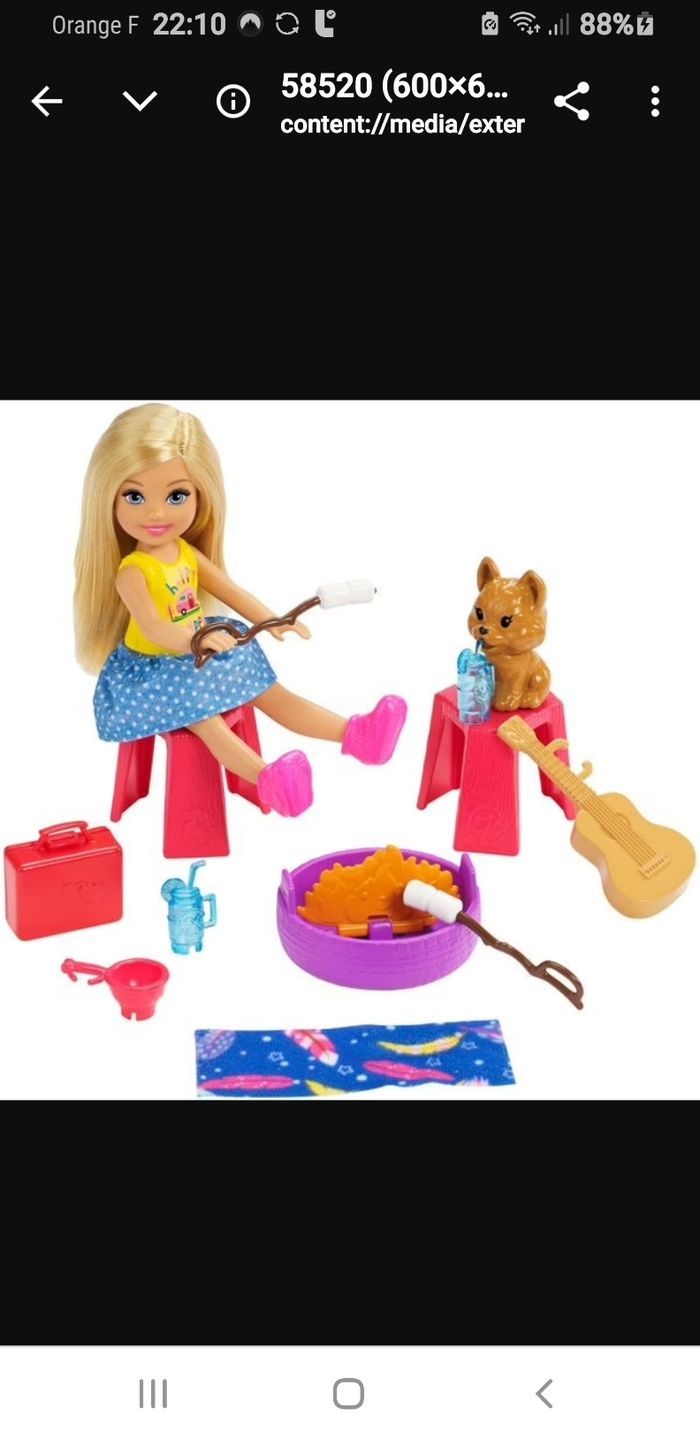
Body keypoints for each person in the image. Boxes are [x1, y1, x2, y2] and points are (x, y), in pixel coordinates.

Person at [74, 403, 406, 815]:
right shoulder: (133, 571)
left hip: (198, 652)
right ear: (108, 499)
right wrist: (196, 640)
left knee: (271, 692)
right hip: (154, 673)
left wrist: (272, 620)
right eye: (135, 496)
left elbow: (229, 589)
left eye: (176, 496)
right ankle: (270, 782)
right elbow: (155, 627)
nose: (156, 512)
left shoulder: (185, 552)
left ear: (201, 495)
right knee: (207, 721)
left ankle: (358, 736)